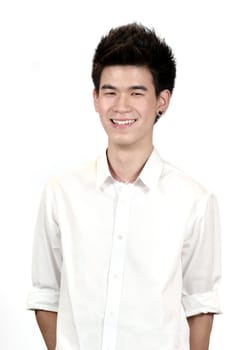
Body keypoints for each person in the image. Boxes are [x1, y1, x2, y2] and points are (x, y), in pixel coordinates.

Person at [27, 23, 221, 350]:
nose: (121, 106)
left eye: (136, 92)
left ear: (162, 100)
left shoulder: (195, 201)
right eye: (110, 92)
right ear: (95, 98)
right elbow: (45, 294)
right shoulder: (61, 193)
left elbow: (200, 304)